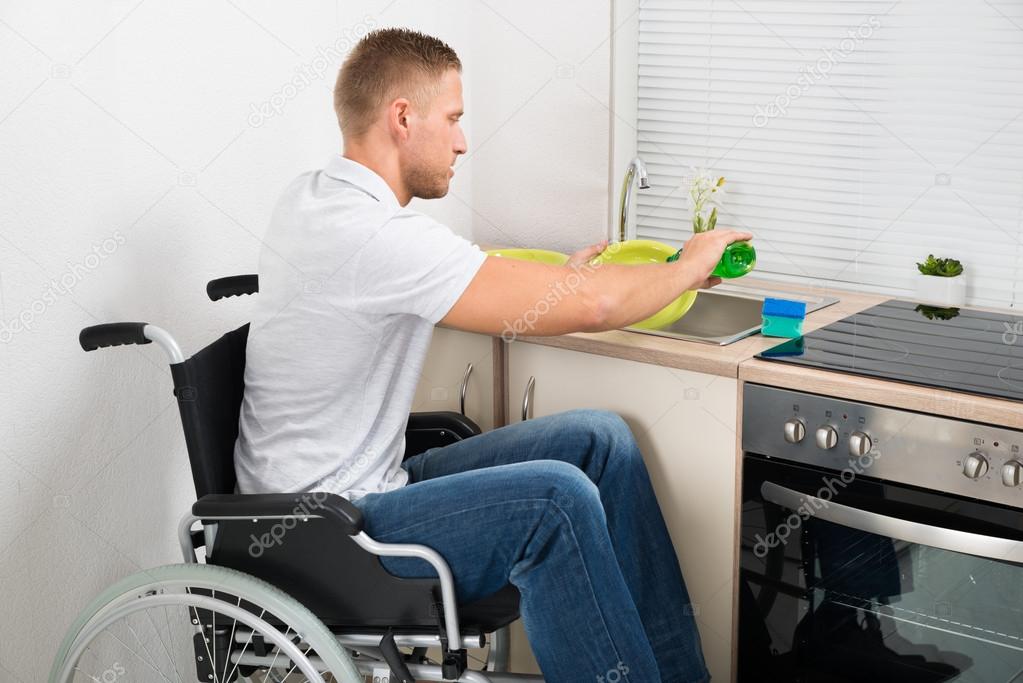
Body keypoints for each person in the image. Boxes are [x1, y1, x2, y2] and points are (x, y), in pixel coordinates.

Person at [234, 26, 751, 683]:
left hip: (362, 488)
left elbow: (472, 273)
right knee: (554, 500)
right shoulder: (371, 235)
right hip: (329, 532)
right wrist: (689, 265)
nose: (461, 140)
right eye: (451, 119)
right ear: (401, 117)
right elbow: (590, 308)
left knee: (599, 440)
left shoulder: (313, 196)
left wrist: (557, 277)